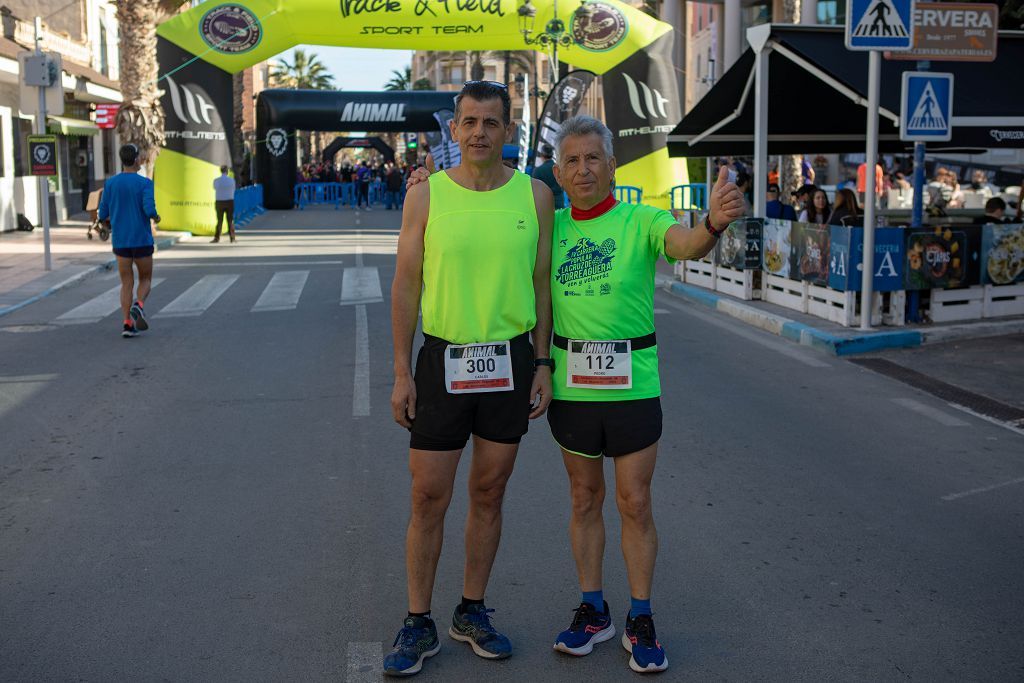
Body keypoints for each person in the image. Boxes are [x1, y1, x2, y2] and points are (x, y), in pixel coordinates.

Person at [545, 116, 744, 674]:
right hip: (572, 388)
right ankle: (592, 609)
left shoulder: (641, 218)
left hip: (634, 386)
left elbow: (685, 245)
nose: (583, 169)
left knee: (634, 501)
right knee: (584, 499)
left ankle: (639, 615)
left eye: (593, 158)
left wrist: (712, 222)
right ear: (560, 173)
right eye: (573, 161)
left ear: (612, 165)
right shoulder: (549, 227)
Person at [384, 80, 554, 677]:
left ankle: (471, 610)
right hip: (442, 361)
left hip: (508, 363)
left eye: (491, 122)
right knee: (427, 494)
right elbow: (407, 284)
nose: (479, 132)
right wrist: (402, 371)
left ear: (509, 131)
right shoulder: (426, 196)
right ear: (454, 129)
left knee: (489, 491)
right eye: (469, 121)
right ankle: (417, 620)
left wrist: (542, 364)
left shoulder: (535, 196)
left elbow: (541, 285)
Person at [98, 143, 161, 338]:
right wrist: (156, 217)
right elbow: (149, 209)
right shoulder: (144, 183)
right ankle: (139, 305)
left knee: (126, 283)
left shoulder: (110, 184)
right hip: (141, 240)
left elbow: (103, 213)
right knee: (146, 279)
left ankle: (127, 323)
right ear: (136, 160)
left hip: (121, 242)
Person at [531, 144, 565, 209]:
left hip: (545, 207)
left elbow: (534, 192)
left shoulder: (538, 171)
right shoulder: (560, 169)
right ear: (552, 155)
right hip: (560, 204)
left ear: (541, 155)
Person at [212, 165, 236, 243]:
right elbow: (233, 188)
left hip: (219, 201)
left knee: (219, 220)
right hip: (229, 201)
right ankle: (232, 238)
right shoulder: (232, 180)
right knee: (230, 220)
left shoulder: (216, 180)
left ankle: (217, 238)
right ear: (227, 171)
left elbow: (215, 188)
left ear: (220, 171)